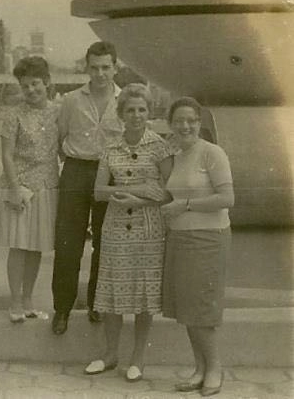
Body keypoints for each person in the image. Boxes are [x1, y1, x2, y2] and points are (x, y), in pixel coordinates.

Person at [84, 83, 172, 382]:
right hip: (116, 228)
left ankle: (138, 358)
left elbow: (169, 191)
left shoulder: (160, 146)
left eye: (142, 110)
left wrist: (141, 199)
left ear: (149, 113)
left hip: (148, 228)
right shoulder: (110, 147)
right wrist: (137, 190)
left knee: (144, 292)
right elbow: (98, 191)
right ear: (121, 114)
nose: (136, 115)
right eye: (130, 110)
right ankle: (110, 354)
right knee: (112, 291)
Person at [162, 97, 234, 396]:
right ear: (170, 124)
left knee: (203, 307)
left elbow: (228, 199)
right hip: (180, 239)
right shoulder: (177, 155)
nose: (186, 125)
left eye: (191, 120)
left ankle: (215, 369)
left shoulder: (212, 153)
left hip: (208, 238)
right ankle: (199, 369)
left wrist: (186, 205)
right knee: (188, 308)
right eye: (179, 120)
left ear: (199, 122)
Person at [51, 41, 123, 334]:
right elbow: (60, 139)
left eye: (106, 67)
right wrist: (73, 169)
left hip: (111, 173)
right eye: (95, 67)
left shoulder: (124, 99)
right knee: (68, 243)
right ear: (86, 67)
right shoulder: (71, 100)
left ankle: (96, 302)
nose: (101, 73)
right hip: (77, 169)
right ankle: (62, 309)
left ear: (115, 68)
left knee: (105, 243)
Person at [0, 56, 59, 323]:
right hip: (19, 185)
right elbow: (6, 155)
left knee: (36, 247)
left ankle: (29, 300)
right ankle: (15, 301)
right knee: (18, 245)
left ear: (47, 82)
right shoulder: (13, 114)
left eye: (36, 84)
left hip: (48, 185)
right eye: (25, 85)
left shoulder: (58, 112)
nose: (31, 90)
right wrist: (15, 189)